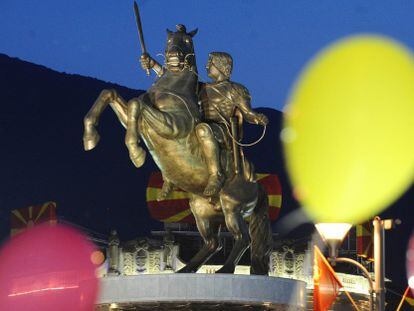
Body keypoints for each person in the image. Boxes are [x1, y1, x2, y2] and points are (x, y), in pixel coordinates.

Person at [195, 52, 268, 196]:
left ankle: (216, 175)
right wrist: (154, 65)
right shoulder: (200, 88)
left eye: (210, 63)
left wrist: (258, 118)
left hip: (223, 131)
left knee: (203, 129)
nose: (206, 66)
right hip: (201, 129)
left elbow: (247, 113)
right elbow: (176, 81)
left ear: (221, 66)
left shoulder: (236, 89)